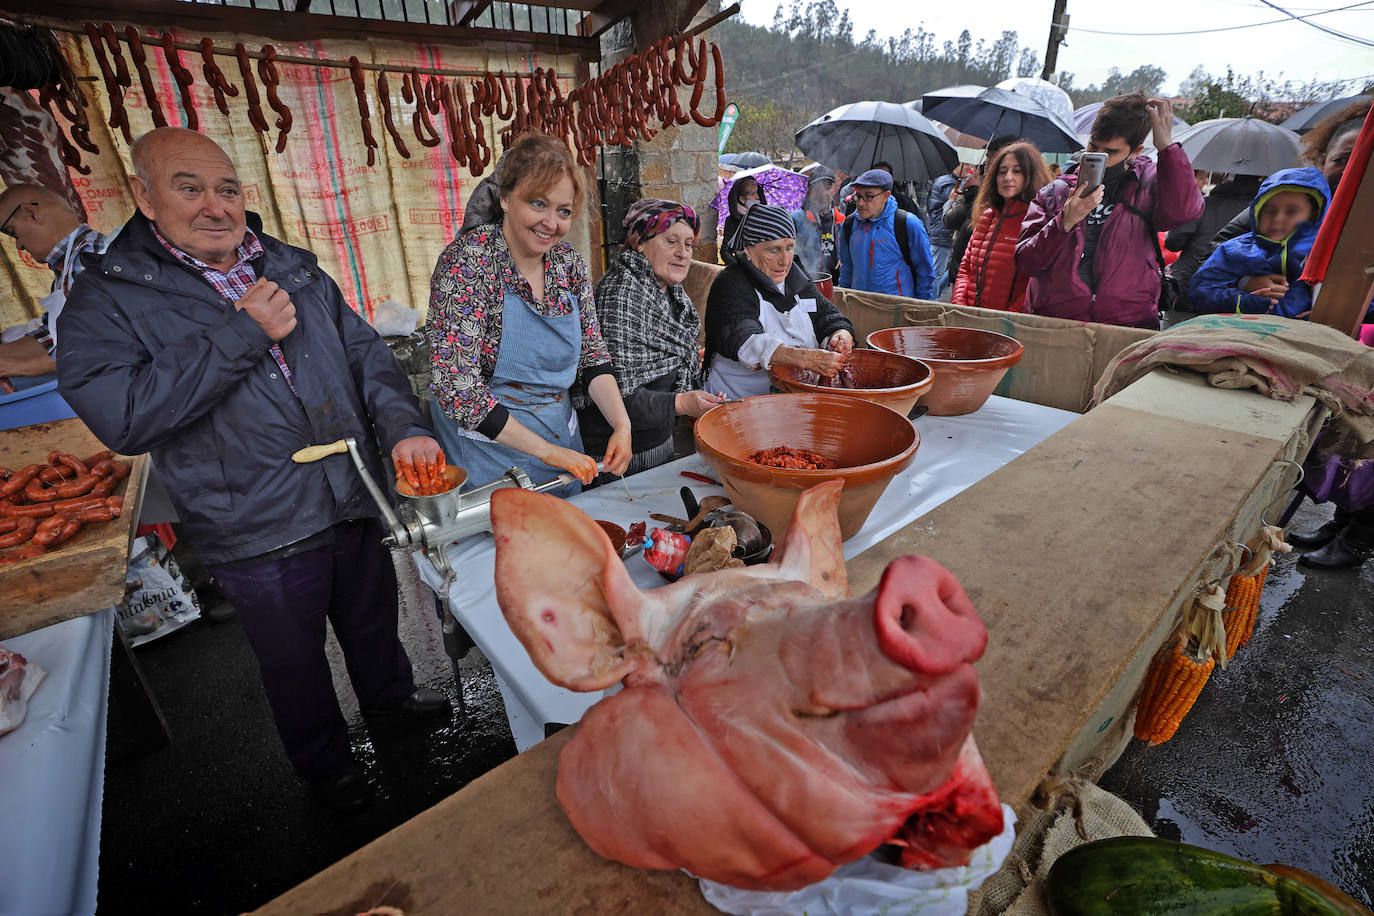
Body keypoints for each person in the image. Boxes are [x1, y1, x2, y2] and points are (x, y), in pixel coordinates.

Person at [56, 127, 449, 814]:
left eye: (228, 188)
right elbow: (124, 417)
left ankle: (390, 710)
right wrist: (241, 332)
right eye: (190, 187)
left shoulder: (291, 265)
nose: (216, 206)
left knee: (371, 620)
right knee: (293, 661)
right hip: (252, 515)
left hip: (349, 488)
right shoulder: (106, 298)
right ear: (145, 198)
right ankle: (326, 770)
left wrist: (407, 426)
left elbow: (366, 359)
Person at [426, 133, 631, 497]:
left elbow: (592, 355)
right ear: (505, 198)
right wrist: (550, 453)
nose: (551, 223)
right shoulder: (470, 263)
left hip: (562, 446)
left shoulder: (568, 264)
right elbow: (457, 388)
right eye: (538, 204)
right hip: (488, 458)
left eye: (563, 211)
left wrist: (621, 422)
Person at [1016, 94, 1205, 328]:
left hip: (1128, 323)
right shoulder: (1055, 192)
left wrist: (1167, 147)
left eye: (1111, 152)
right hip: (1056, 323)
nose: (1099, 157)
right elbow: (1026, 263)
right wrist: (1065, 221)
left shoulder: (1149, 184)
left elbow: (1184, 213)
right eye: (1093, 146)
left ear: (1134, 151)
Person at [578, 199, 725, 477]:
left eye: (688, 244)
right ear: (640, 243)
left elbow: (669, 357)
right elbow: (615, 394)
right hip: (615, 457)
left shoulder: (670, 292)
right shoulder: (620, 295)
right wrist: (682, 403)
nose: (683, 253)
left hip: (657, 444)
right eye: (671, 242)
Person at [704, 203, 855, 399]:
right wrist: (807, 359)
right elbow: (744, 341)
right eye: (773, 250)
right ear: (748, 250)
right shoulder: (731, 284)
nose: (785, 260)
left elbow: (826, 315)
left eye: (789, 248)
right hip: (738, 400)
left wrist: (839, 335)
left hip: (789, 398)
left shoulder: (795, 276)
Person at [1202, 97, 1369, 259]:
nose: (1351, 171)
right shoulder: (1286, 196)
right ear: (1323, 161)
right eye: (1341, 160)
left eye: (1368, 163)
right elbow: (1214, 254)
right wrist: (1247, 279)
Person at [1188, 167, 1329, 319]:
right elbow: (1201, 291)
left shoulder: (1324, 255)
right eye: (1270, 210)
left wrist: (1321, 314)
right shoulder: (1233, 250)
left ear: (1314, 216)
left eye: (1292, 211)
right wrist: (1243, 301)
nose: (1278, 218)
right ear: (1256, 212)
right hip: (1241, 332)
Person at [0, 183, 107, 382]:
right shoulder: (67, 268)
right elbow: (49, 337)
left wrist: (22, 367)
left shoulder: (91, 256)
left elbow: (106, 343)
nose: (19, 245)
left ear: (32, 213)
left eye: (14, 233)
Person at [950, 142, 1050, 312]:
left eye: (1017, 171)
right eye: (1002, 171)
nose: (1008, 177)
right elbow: (966, 267)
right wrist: (959, 305)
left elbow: (1036, 284)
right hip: (970, 323)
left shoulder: (1039, 222)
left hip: (1010, 329)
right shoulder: (985, 216)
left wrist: (1006, 320)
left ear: (1031, 176)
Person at [1164, 173, 1263, 310]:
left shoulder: (1204, 205)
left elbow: (1173, 242)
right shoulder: (1264, 215)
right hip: (1236, 292)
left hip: (1188, 284)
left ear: (1227, 178)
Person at [837, 168, 936, 300]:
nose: (861, 203)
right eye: (858, 196)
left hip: (897, 310)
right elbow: (847, 269)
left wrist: (923, 310)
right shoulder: (849, 224)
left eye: (869, 196)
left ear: (886, 196)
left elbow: (925, 272)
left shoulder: (907, 223)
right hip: (859, 307)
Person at [943, 137, 1019, 293]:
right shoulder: (982, 186)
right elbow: (954, 222)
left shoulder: (1007, 201)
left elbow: (972, 223)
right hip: (964, 275)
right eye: (987, 160)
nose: (986, 164)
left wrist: (972, 193)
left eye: (991, 161)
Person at [789, 167, 845, 278]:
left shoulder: (842, 221)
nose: (823, 193)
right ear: (809, 191)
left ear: (834, 189)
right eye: (818, 188)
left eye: (828, 187)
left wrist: (843, 258)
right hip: (807, 282)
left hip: (837, 283)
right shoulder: (796, 219)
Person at [925, 166, 959, 298]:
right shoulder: (947, 183)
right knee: (935, 274)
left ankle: (934, 297)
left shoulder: (951, 181)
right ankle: (930, 302)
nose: (970, 167)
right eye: (966, 164)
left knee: (948, 270)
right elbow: (952, 201)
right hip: (942, 234)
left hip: (944, 233)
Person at [720, 175, 764, 263]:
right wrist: (739, 268)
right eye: (753, 194)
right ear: (742, 199)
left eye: (758, 192)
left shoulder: (764, 218)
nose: (757, 197)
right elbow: (725, 251)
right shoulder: (732, 220)